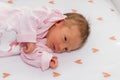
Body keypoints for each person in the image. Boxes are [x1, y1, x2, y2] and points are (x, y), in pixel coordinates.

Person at [0, 3, 90, 71]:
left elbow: (28, 54)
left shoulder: (46, 47)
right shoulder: (46, 15)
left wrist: (46, 60)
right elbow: (28, 18)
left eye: (66, 49)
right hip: (5, 17)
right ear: (59, 22)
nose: (61, 47)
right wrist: (29, 40)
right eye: (65, 39)